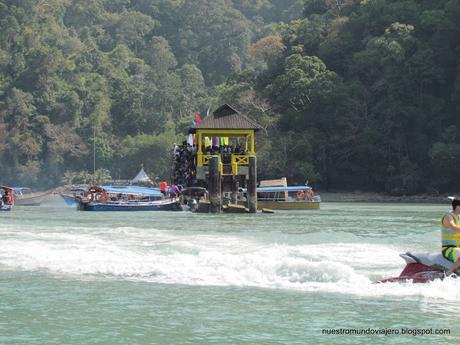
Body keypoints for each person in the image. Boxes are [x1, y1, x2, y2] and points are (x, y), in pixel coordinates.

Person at [441, 196, 460, 274]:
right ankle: (447, 275)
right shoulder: (448, 217)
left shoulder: (458, 216)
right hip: (448, 249)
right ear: (458, 207)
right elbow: (453, 227)